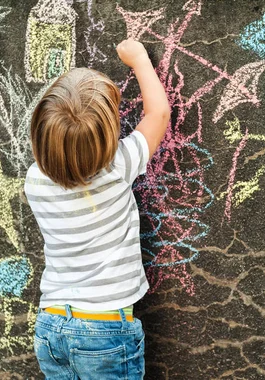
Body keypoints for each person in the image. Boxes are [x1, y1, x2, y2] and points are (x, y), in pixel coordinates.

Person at [24, 39, 170, 380]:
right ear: (108, 139)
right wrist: (138, 59)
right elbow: (158, 114)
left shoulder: (34, 180)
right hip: (103, 332)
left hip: (50, 325)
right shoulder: (118, 167)